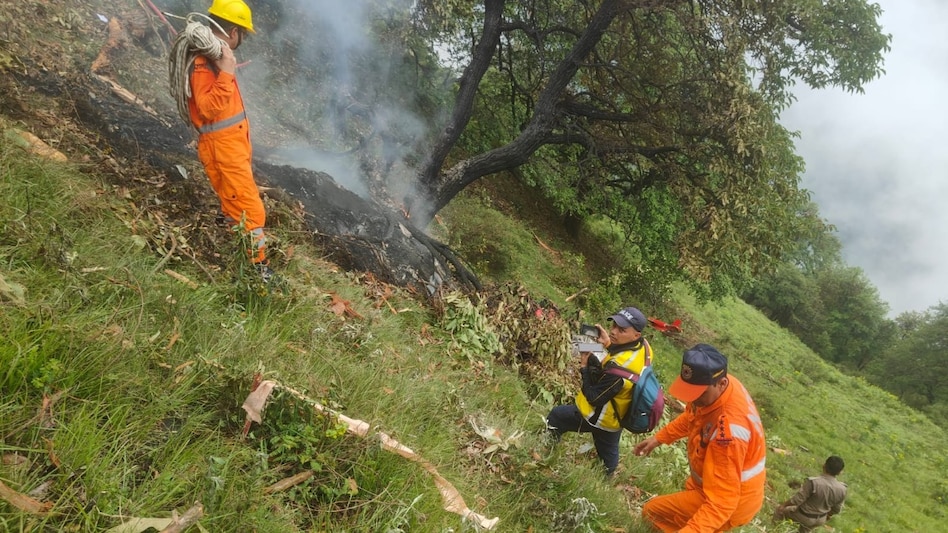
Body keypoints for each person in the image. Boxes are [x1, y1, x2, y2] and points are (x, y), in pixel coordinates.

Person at [177, 0, 272, 280]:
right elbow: (208, 108)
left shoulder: (216, 58)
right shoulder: (205, 63)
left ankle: (239, 253)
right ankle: (257, 272)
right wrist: (228, 71)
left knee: (236, 204)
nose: (242, 40)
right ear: (233, 31)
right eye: (243, 34)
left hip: (231, 147)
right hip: (223, 149)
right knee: (252, 212)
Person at [633, 344, 767, 532]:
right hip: (710, 486)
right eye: (689, 392)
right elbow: (693, 416)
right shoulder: (717, 388)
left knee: (653, 513)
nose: (692, 399)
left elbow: (722, 503)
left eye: (698, 394)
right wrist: (659, 438)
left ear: (721, 384)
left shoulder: (727, 434)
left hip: (731, 501)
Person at [546, 306, 654, 476]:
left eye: (622, 330)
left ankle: (546, 452)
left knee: (556, 417)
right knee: (608, 462)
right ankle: (607, 475)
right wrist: (609, 344)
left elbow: (594, 398)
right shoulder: (644, 347)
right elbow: (624, 360)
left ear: (636, 335)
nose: (614, 331)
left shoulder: (619, 371)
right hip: (617, 417)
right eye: (614, 326)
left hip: (599, 418)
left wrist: (584, 367)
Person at [773, 456, 848, 532]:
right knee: (806, 529)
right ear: (840, 472)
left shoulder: (813, 482)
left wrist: (783, 505)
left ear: (824, 465)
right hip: (821, 519)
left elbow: (797, 500)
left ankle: (773, 529)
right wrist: (828, 515)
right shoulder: (842, 489)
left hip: (804, 515)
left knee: (779, 511)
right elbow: (837, 509)